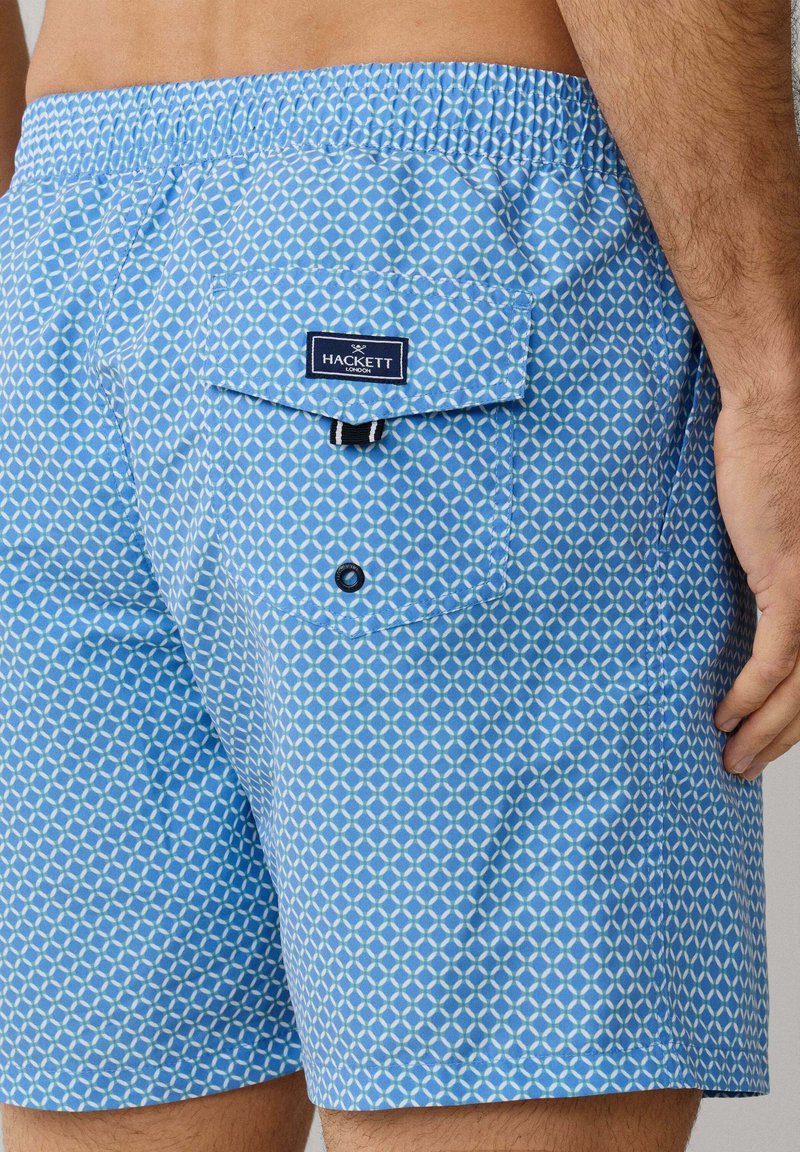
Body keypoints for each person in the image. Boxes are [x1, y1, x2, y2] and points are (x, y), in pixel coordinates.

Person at [0, 2, 798, 1150]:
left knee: (119, 1108)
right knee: (493, 1076)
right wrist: (775, 386)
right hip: (417, 218)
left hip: (63, 239)